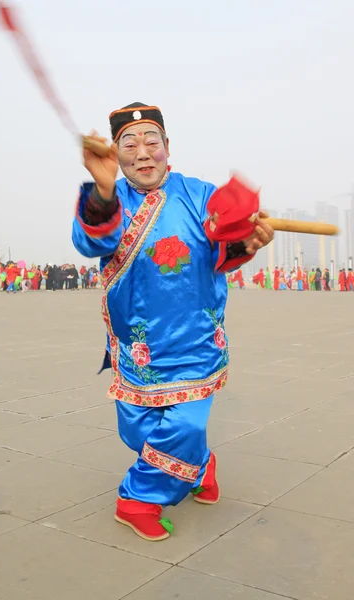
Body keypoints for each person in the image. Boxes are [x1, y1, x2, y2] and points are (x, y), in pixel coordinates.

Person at [72, 102, 274, 541]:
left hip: (195, 339)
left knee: (184, 425)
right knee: (138, 427)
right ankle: (200, 465)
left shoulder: (200, 194)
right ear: (115, 155)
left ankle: (137, 498)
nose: (142, 152)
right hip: (138, 345)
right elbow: (90, 241)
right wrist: (104, 188)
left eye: (151, 141)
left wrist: (247, 241)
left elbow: (225, 251)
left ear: (168, 147)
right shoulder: (108, 196)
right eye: (129, 144)